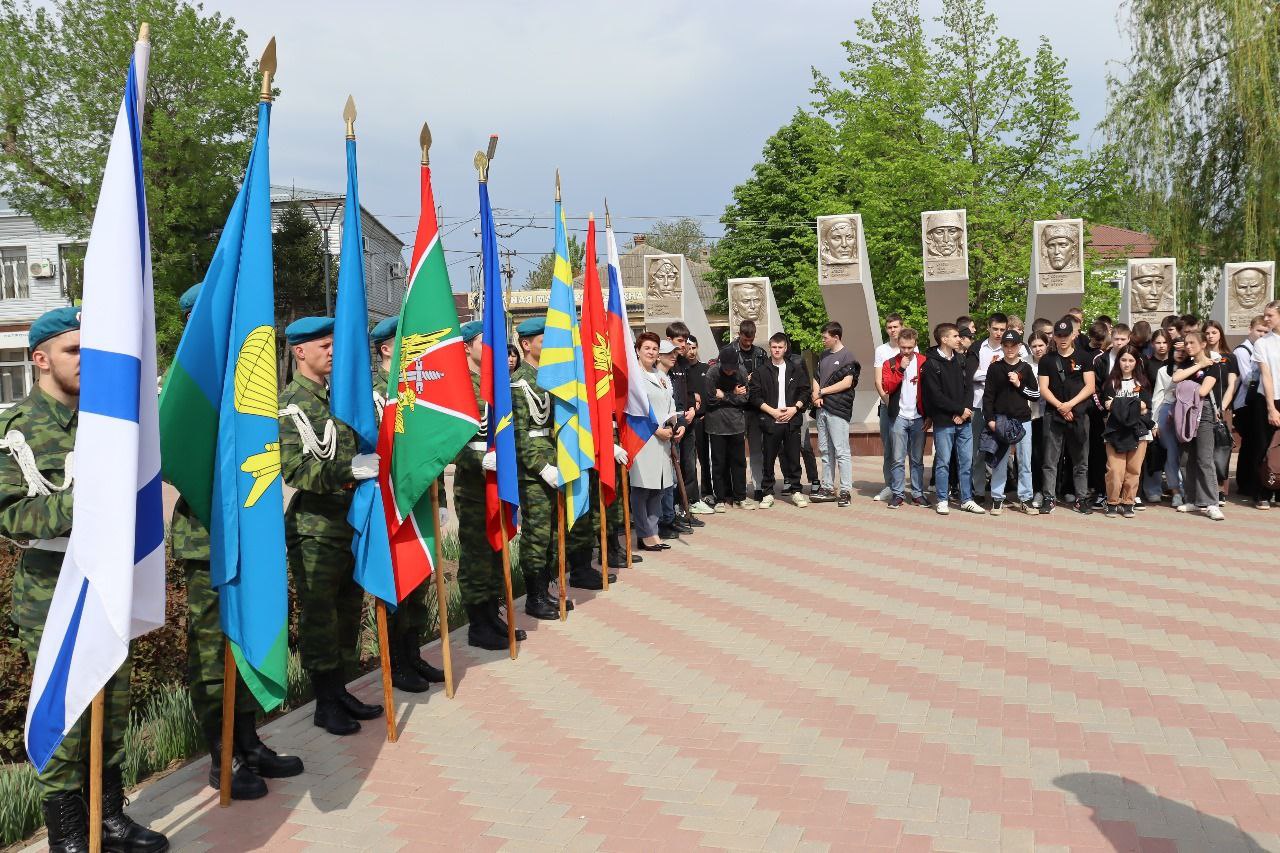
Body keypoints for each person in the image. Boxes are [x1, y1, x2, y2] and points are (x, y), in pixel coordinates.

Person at [0, 307, 170, 853]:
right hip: (52, 597)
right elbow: (10, 518)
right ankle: (68, 836)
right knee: (65, 718)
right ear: (41, 359)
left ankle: (110, 818)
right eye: (75, 351)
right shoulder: (18, 431)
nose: (86, 362)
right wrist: (86, 505)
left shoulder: (109, 422)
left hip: (106, 586)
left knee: (111, 708)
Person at [172, 286, 302, 800]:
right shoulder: (191, 387)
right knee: (211, 653)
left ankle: (249, 741)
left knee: (249, 634)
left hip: (251, 530)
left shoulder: (251, 382)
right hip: (207, 538)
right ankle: (221, 756)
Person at [279, 317, 384, 737]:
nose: (333, 351)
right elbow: (294, 469)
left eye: (334, 344)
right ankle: (324, 701)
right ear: (299, 351)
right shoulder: (290, 404)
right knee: (320, 617)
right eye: (323, 345)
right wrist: (350, 469)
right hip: (314, 530)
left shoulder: (341, 398)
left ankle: (341, 690)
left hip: (349, 522)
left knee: (346, 612)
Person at [370, 316, 444, 692]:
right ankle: (396, 662)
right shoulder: (372, 391)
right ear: (387, 348)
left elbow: (430, 450)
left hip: (417, 498)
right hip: (389, 500)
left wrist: (440, 498)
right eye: (406, 342)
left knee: (420, 580)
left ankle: (413, 654)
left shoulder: (414, 389)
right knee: (397, 582)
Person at [455, 321, 528, 649]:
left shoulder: (498, 385)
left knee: (496, 549)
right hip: (473, 484)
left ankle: (492, 615)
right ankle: (477, 624)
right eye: (485, 342)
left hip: (498, 479)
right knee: (476, 555)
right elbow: (446, 441)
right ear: (467, 347)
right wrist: (476, 459)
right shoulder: (458, 387)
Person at [921, 323, 983, 515]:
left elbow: (968, 387)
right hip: (944, 422)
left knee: (966, 461)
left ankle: (966, 499)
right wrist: (957, 410)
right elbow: (935, 395)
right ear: (944, 339)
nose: (959, 339)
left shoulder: (961, 359)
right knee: (943, 462)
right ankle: (942, 499)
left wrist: (965, 411)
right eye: (955, 336)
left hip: (963, 420)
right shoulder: (930, 364)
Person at [1038, 317, 1096, 514]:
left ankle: (1081, 498)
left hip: (1079, 415)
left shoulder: (1084, 357)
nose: (1062, 339)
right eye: (1058, 335)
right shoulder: (1047, 360)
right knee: (1050, 460)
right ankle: (1049, 497)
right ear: (1053, 336)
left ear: (1073, 335)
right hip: (1053, 415)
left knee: (1081, 460)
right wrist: (1060, 406)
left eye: (1066, 335)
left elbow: (1090, 386)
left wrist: (1070, 405)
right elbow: (1043, 388)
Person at [748, 332, 811, 507]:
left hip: (791, 420)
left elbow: (805, 391)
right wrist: (772, 412)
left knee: (793, 459)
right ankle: (768, 493)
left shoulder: (795, 368)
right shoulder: (761, 371)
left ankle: (796, 491)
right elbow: (754, 396)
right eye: (774, 347)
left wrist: (795, 408)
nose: (776, 350)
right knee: (768, 459)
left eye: (780, 347)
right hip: (770, 421)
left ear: (785, 348)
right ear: (770, 348)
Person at [983, 329, 1039, 514]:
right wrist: (990, 419)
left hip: (1023, 420)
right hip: (1001, 420)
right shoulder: (995, 368)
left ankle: (1025, 498)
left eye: (1013, 346)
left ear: (1019, 346)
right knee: (1000, 461)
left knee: (1025, 462)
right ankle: (997, 498)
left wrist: (1019, 384)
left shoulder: (1026, 368)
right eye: (1006, 346)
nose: (1009, 349)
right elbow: (988, 396)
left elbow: (1036, 395)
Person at [631, 333, 678, 549]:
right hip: (643, 437)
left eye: (654, 348)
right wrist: (655, 429)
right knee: (643, 488)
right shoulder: (635, 376)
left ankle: (653, 530)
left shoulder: (661, 375)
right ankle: (644, 533)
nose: (651, 352)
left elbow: (670, 402)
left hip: (663, 438)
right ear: (638, 350)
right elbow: (635, 409)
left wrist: (670, 424)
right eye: (647, 348)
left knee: (659, 487)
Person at [1172, 330, 1224, 520]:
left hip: (1204, 413)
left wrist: (1188, 384)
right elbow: (1176, 378)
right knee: (1186, 458)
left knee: (1204, 458)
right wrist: (1198, 366)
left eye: (1192, 343)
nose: (1188, 346)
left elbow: (1203, 391)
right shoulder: (1186, 363)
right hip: (1185, 413)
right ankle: (1193, 499)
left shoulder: (1214, 366)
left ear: (1203, 344)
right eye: (1186, 343)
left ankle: (1212, 503)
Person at [971, 313, 1023, 500]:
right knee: (977, 451)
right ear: (988, 328)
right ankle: (977, 491)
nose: (999, 333)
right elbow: (971, 375)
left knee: (1005, 453)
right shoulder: (978, 347)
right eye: (995, 329)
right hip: (978, 405)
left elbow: (1018, 372)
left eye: (1002, 329)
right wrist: (993, 373)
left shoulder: (1013, 348)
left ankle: (999, 492)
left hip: (1004, 408)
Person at [810, 322, 860, 506]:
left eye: (825, 337)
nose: (823, 340)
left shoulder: (848, 356)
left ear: (836, 337)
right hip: (821, 409)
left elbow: (847, 383)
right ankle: (828, 487)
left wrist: (822, 391)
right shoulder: (823, 356)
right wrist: (816, 396)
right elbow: (816, 377)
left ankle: (845, 490)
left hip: (838, 410)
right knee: (825, 450)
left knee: (841, 451)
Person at [1100, 346, 1153, 517]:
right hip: (1115, 432)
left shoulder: (1142, 383)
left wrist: (1118, 404)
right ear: (1118, 361)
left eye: (1131, 360)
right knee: (1115, 470)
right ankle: (1112, 502)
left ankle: (1128, 501)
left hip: (1139, 432)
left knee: (1133, 469)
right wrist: (1133, 406)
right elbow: (1107, 406)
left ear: (1136, 362)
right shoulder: (1111, 383)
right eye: (1124, 360)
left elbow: (1145, 407)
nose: (1127, 364)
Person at [881, 327, 928, 508]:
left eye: (910, 347)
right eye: (903, 347)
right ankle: (898, 494)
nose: (906, 351)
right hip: (899, 416)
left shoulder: (924, 362)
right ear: (898, 345)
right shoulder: (890, 363)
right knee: (898, 458)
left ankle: (917, 494)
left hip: (918, 417)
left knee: (917, 459)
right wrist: (900, 370)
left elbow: (930, 391)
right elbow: (888, 387)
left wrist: (928, 416)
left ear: (915, 344)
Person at [704, 346, 752, 510]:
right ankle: (720, 499)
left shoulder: (742, 372)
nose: (730, 372)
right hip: (716, 425)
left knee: (739, 462)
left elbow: (744, 399)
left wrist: (724, 395)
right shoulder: (712, 373)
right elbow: (710, 400)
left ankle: (740, 496)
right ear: (720, 364)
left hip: (736, 424)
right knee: (718, 463)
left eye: (733, 369)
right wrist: (733, 394)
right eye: (727, 369)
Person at [1232, 315, 1270, 500]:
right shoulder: (1243, 351)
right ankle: (1245, 482)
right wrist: (1264, 371)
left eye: (1265, 331)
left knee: (1251, 444)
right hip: (1244, 403)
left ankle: (1246, 481)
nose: (1262, 334)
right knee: (1250, 444)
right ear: (1250, 329)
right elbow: (1248, 379)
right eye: (1259, 331)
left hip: (1255, 402)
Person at [1150, 331, 1189, 508]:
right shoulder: (1163, 371)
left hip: (1189, 414)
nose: (1180, 353)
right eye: (1177, 350)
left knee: (1187, 455)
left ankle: (1190, 490)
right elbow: (1157, 396)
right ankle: (1176, 491)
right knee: (1172, 454)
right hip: (1167, 413)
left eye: (1184, 350)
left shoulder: (1195, 369)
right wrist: (1154, 422)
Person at [1203, 320, 1239, 502]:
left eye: (1214, 332)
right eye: (1207, 333)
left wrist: (1223, 406)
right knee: (1205, 450)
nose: (1210, 336)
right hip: (1203, 408)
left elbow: (1232, 384)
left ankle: (1220, 490)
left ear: (1220, 334)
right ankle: (1207, 489)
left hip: (1223, 408)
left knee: (1221, 449)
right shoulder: (1201, 356)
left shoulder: (1230, 357)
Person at [733, 321, 768, 501]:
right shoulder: (729, 352)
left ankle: (758, 486)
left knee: (756, 449)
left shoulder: (761, 353)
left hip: (754, 409)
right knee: (736, 451)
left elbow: (768, 377)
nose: (748, 343)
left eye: (751, 340)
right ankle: (737, 488)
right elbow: (719, 379)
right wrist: (741, 381)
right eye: (745, 340)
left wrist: (755, 380)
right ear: (739, 334)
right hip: (735, 409)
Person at [1250, 300, 1280, 509]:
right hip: (1269, 399)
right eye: (1265, 315)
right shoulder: (1263, 343)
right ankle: (1262, 491)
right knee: (1264, 445)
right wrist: (1271, 407)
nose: (1266, 319)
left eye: (1270, 315)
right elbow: (1266, 376)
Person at [872, 313, 904, 500]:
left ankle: (909, 489)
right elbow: (878, 381)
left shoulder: (911, 347)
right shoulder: (881, 350)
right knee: (889, 449)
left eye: (895, 327)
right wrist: (889, 403)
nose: (893, 330)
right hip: (887, 406)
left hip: (909, 408)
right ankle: (889, 486)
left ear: (902, 327)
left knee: (909, 451)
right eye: (889, 327)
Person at [683, 334, 715, 515]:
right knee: (688, 461)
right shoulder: (680, 370)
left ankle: (707, 492)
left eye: (694, 347)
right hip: (686, 422)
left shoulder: (706, 369)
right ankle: (690, 496)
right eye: (688, 348)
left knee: (705, 459)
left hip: (703, 421)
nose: (691, 351)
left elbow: (710, 395)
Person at [1027, 332, 1050, 508]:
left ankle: (1048, 491)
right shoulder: (1025, 363)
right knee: (1032, 455)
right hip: (1030, 415)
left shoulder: (1052, 360)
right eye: (1034, 346)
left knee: (1047, 455)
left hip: (1049, 414)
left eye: (1040, 345)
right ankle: (1034, 490)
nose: (1037, 349)